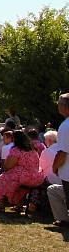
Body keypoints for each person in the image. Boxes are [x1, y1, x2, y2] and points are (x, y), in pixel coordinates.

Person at [0, 130, 45, 213]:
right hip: (36, 176)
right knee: (17, 184)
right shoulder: (33, 149)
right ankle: (19, 205)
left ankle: (1, 206)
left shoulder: (16, 150)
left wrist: (6, 165)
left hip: (24, 177)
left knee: (0, 179)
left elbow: (8, 166)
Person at [52, 93, 69, 228]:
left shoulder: (65, 126)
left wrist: (55, 167)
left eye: (59, 104)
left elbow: (63, 152)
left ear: (65, 107)